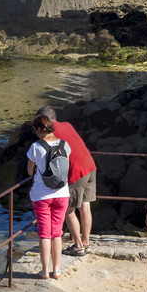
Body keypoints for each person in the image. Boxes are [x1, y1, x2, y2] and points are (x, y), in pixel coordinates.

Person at [39, 105, 96, 256]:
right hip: (90, 166)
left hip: (76, 172)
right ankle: (86, 243)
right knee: (85, 206)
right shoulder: (67, 125)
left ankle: (78, 246)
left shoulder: (49, 133)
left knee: (67, 210)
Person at [25, 115, 69, 280]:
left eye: (35, 129)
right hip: (62, 193)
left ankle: (45, 271)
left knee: (44, 233)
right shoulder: (65, 145)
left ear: (38, 129)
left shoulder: (35, 147)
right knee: (57, 233)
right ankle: (57, 270)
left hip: (41, 195)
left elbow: (30, 171)